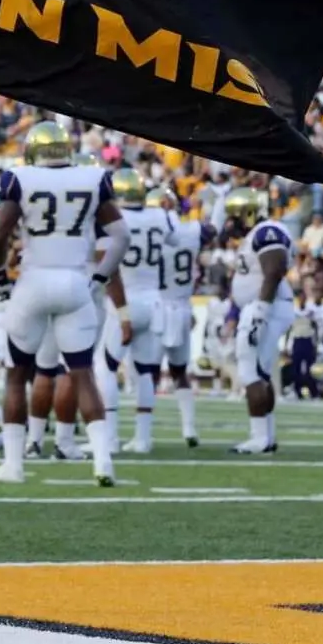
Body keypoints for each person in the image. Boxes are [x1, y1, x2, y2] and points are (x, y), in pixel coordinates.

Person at [0, 120, 128, 486]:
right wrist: (99, 277)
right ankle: (103, 461)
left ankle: (14, 465)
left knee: (17, 376)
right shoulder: (93, 178)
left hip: (33, 282)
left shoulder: (19, 178)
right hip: (76, 283)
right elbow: (121, 237)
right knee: (83, 374)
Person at [100, 168, 173, 453]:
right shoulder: (160, 217)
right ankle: (143, 439)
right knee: (145, 371)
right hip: (153, 300)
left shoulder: (115, 220)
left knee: (105, 368)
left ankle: (110, 438)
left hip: (124, 300)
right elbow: (177, 239)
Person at [227, 186, 293, 454]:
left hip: (266, 307)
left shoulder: (268, 232)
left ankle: (258, 437)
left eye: (237, 215)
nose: (232, 222)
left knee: (249, 371)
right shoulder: (257, 234)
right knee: (261, 372)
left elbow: (274, 270)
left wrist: (260, 312)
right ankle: (267, 435)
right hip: (264, 306)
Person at [154, 188, 209, 445]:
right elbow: (213, 231)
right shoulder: (192, 230)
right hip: (182, 305)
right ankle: (189, 428)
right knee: (180, 372)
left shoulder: (150, 230)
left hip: (156, 305)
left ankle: (144, 431)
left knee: (146, 371)